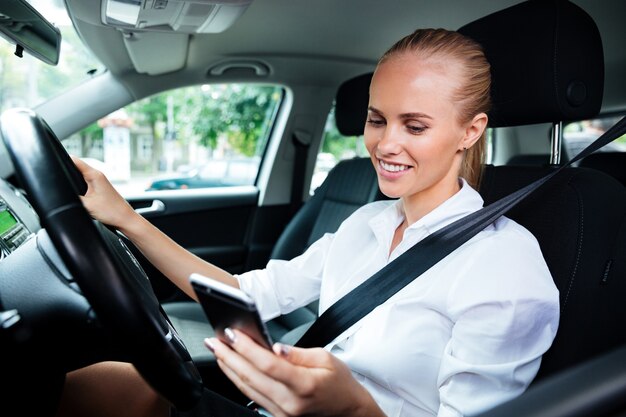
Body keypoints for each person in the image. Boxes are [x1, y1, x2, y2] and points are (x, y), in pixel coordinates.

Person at [57, 28, 559, 417]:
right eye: (377, 119)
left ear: (469, 131)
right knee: (110, 382)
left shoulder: (505, 267)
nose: (385, 145)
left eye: (416, 126)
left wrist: (353, 407)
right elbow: (244, 292)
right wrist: (125, 218)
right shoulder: (367, 223)